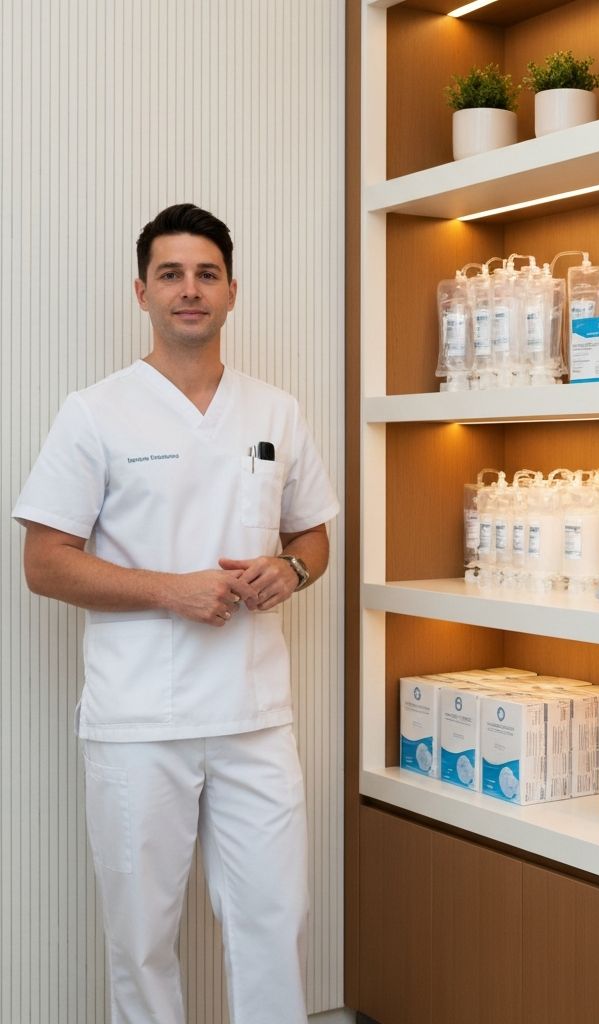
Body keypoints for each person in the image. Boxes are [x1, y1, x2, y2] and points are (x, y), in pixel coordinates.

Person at [13, 203, 339, 1024]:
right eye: (171, 275)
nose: (189, 290)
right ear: (142, 292)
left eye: (206, 274)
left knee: (275, 924)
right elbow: (43, 563)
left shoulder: (276, 412)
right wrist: (173, 591)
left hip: (253, 716)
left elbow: (315, 538)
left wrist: (289, 570)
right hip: (139, 720)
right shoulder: (96, 413)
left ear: (232, 292)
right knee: (142, 939)